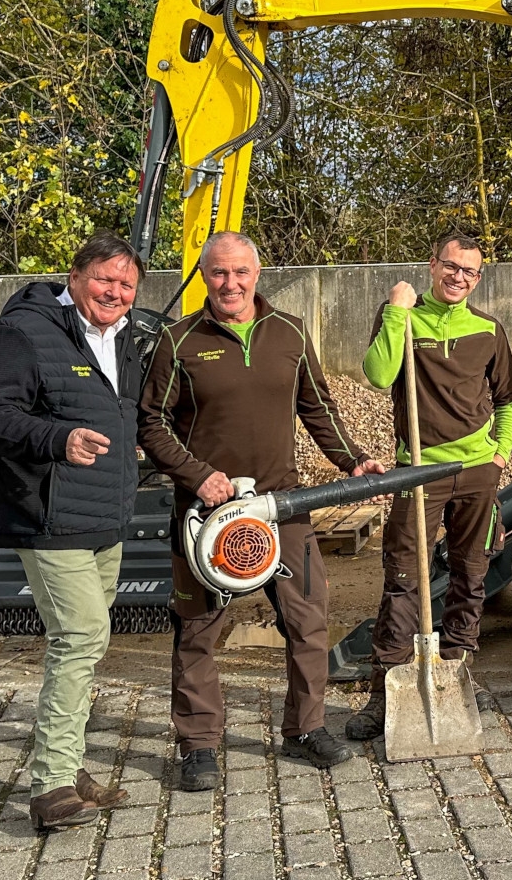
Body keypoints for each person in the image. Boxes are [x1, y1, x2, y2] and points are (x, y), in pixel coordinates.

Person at [138, 231, 381, 790]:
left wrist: (353, 461)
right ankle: (199, 745)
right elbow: (150, 422)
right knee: (198, 631)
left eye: (240, 272)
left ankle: (305, 728)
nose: (231, 283)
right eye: (219, 272)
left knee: (308, 621)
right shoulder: (179, 341)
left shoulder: (289, 332)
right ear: (205, 276)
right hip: (206, 517)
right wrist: (198, 476)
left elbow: (318, 408)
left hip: (281, 507)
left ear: (257, 273)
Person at [0, 232, 146, 831]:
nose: (116, 292)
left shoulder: (123, 337)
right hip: (48, 515)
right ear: (75, 276)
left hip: (105, 516)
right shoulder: (23, 332)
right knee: (80, 636)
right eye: (105, 279)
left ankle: (68, 766)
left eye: (127, 284)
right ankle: (51, 787)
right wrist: (58, 438)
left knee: (88, 645)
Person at [345, 233, 512, 741]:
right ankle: (386, 690)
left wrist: (499, 455)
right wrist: (396, 312)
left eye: (469, 271)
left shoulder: (487, 329)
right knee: (403, 578)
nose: (458, 277)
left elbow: (508, 400)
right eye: (451, 266)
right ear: (432, 265)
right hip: (417, 470)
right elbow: (379, 375)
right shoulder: (402, 317)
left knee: (471, 573)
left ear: (478, 278)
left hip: (477, 471)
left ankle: (458, 672)